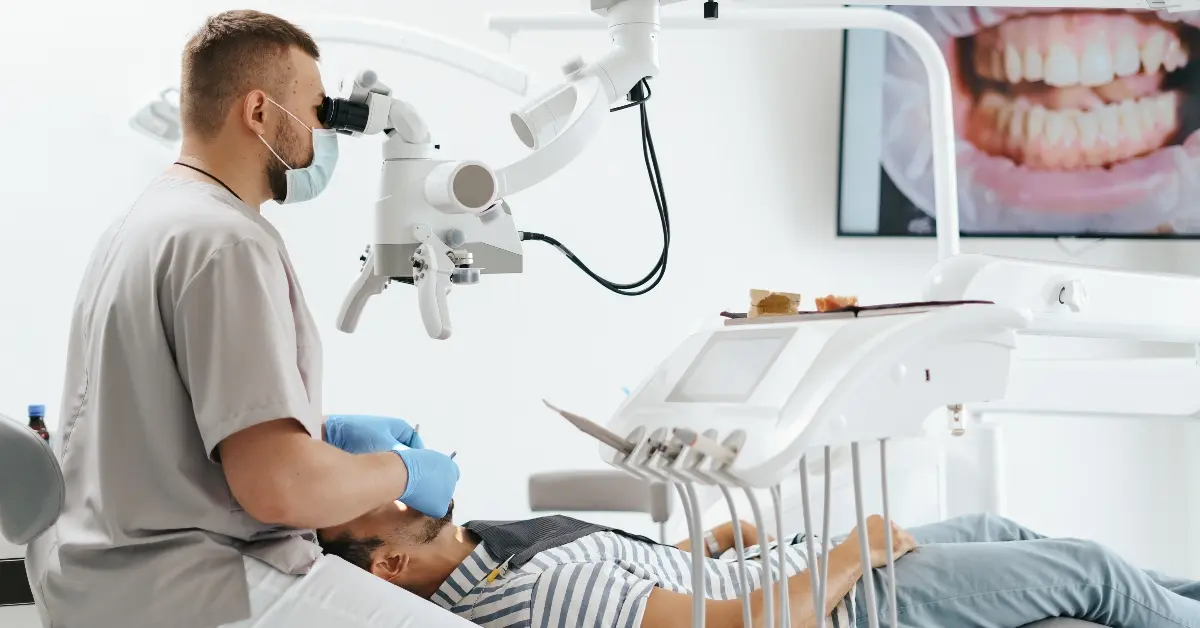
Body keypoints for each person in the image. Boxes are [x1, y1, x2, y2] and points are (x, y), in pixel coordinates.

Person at [25, 10, 460, 628]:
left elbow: (150, 418)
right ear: (259, 112)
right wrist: (407, 471)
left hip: (100, 573)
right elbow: (280, 490)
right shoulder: (228, 241)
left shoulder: (146, 221)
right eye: (318, 113)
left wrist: (323, 433)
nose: (320, 137)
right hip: (191, 583)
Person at [317, 502, 1200, 628]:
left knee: (1001, 529)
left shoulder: (503, 553)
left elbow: (652, 588)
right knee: (1086, 568)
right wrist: (855, 551)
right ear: (390, 563)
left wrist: (708, 547)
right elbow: (740, 627)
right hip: (848, 602)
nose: (401, 490)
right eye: (380, 505)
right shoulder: (537, 593)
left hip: (808, 564)